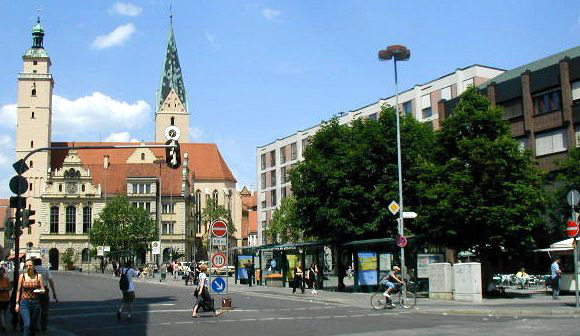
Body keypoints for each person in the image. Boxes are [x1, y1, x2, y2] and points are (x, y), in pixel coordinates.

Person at [15, 258, 45, 336]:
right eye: (27, 266)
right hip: (24, 303)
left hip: (36, 303)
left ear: (34, 266)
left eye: (30, 265)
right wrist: (17, 303)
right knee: (27, 324)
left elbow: (43, 289)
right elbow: (18, 290)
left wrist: (38, 291)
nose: (28, 267)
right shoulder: (22, 276)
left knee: (33, 326)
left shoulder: (39, 276)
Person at [33, 258, 58, 332]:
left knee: (35, 309)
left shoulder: (32, 270)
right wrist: (54, 293)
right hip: (44, 290)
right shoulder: (46, 270)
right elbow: (51, 282)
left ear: (35, 263)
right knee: (44, 309)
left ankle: (36, 325)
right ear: (41, 263)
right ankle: (43, 326)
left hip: (34, 290)